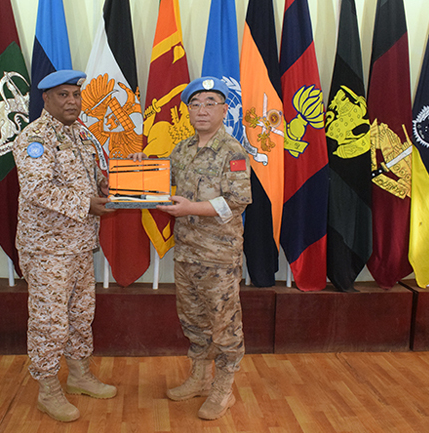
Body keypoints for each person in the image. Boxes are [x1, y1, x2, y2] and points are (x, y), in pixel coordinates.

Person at [132, 76, 252, 420]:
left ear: (224, 110)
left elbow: (238, 202)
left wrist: (190, 209)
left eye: (210, 103)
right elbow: (165, 185)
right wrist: (141, 168)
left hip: (218, 256)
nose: (202, 110)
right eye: (195, 104)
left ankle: (223, 389)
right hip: (186, 252)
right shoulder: (183, 149)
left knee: (224, 324)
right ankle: (199, 378)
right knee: (194, 320)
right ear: (187, 111)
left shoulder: (234, 152)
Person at [13, 69, 116, 423]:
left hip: (81, 245)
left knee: (80, 314)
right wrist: (89, 203)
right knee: (49, 321)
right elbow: (38, 189)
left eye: (76, 94)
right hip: (47, 250)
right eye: (63, 95)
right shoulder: (35, 138)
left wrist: (116, 186)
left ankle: (79, 374)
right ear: (46, 99)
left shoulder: (83, 134)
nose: (72, 101)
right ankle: (47, 389)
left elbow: (97, 175)